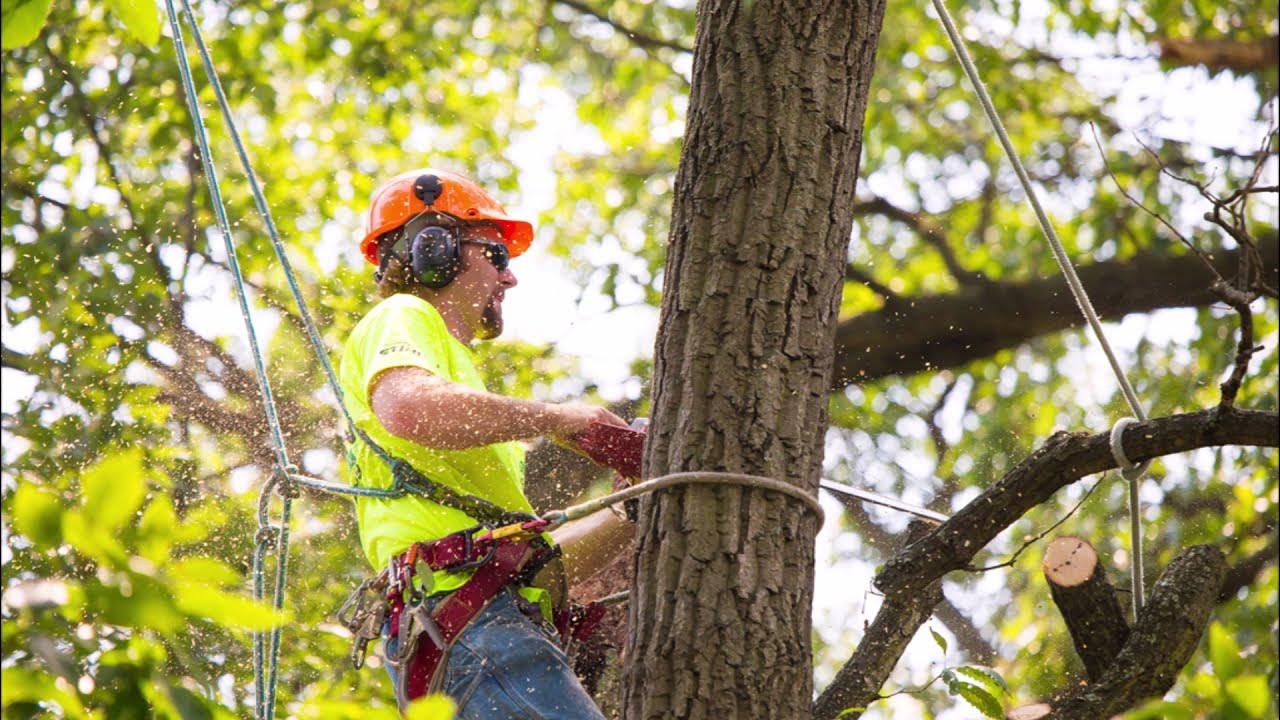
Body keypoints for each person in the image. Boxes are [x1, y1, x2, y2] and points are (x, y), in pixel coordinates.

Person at [338, 168, 634, 718]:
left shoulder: (461, 386)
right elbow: (408, 407)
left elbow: (538, 563)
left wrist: (631, 510)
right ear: (436, 249)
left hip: (486, 627)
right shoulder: (404, 315)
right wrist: (559, 419)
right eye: (496, 256)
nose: (509, 279)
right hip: (477, 630)